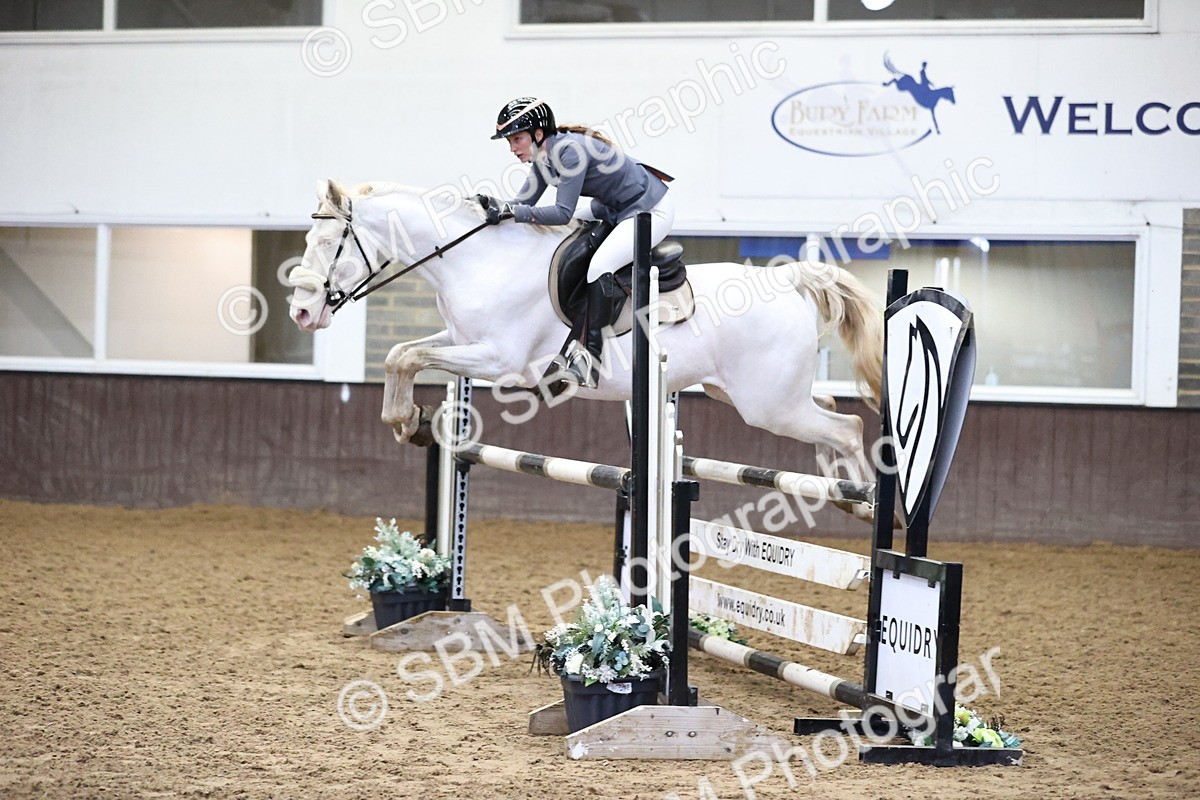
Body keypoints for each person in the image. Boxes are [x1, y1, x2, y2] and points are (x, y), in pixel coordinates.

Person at [476, 97, 675, 390]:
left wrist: (514, 212)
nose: (512, 148)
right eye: (509, 141)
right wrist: (486, 210)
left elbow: (561, 213)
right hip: (612, 207)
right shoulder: (543, 158)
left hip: (649, 209)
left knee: (600, 265)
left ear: (538, 134)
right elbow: (522, 204)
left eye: (516, 139)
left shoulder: (569, 152)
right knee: (563, 236)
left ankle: (589, 359)